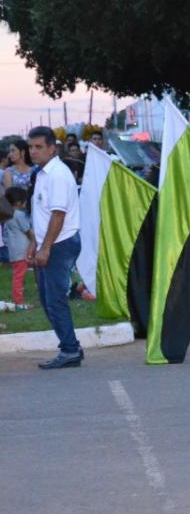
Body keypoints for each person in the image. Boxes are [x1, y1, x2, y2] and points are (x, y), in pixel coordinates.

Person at [26, 126, 84, 369]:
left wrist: (46, 248)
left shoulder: (58, 174)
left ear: (52, 148)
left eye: (38, 147)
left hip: (60, 244)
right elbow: (41, 213)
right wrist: (34, 243)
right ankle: (70, 346)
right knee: (48, 299)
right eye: (30, 147)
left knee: (55, 300)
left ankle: (70, 350)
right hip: (48, 243)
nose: (33, 152)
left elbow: (58, 215)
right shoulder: (41, 173)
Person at [4, 187, 35, 309]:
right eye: (25, 201)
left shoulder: (7, 214)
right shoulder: (19, 215)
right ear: (18, 202)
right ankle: (18, 302)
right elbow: (28, 231)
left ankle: (19, 299)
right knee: (19, 276)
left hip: (13, 250)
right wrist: (34, 240)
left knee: (18, 275)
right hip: (22, 250)